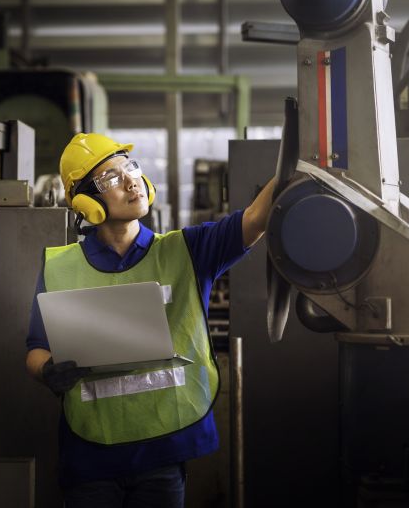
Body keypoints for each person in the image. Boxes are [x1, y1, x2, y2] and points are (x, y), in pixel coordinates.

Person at [26, 133, 274, 508]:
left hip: (162, 453)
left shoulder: (187, 251)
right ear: (85, 200)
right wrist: (47, 370)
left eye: (131, 168)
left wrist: (301, 159)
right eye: (110, 178)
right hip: (90, 455)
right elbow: (35, 348)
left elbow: (256, 219)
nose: (130, 181)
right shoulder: (60, 267)